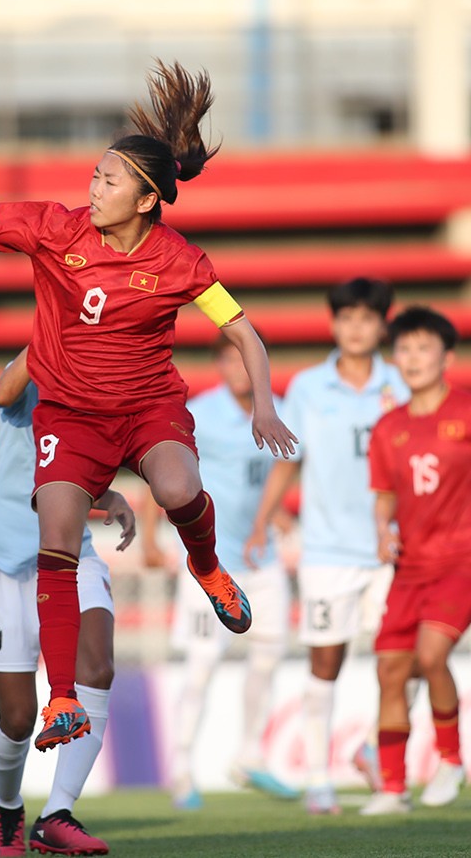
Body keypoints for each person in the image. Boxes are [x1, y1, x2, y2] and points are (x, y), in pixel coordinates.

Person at [0, 61, 298, 753]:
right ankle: (62, 697)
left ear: (145, 198)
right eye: (95, 174)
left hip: (146, 407)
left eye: (108, 179)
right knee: (59, 538)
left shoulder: (179, 261)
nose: (93, 187)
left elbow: (241, 330)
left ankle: (208, 567)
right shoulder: (55, 228)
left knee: (177, 486)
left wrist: (265, 406)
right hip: (70, 415)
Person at [244, 277, 406, 815]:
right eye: (347, 317)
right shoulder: (310, 387)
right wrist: (261, 521)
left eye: (366, 317)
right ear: (334, 323)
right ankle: (318, 777)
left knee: (411, 660)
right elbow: (289, 458)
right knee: (325, 664)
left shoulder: (403, 382)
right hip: (328, 553)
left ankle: (373, 751)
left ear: (383, 324)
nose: (356, 327)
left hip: (393, 550)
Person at [0, 349, 135, 857]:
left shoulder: (97, 388)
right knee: (17, 718)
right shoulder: (35, 373)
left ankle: (56, 813)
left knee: (98, 667)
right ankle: (8, 808)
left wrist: (110, 496)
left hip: (69, 552)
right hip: (5, 557)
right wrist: (47, 337)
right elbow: (1, 394)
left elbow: (81, 468)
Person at [361, 307, 471, 815]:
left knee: (431, 656)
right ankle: (393, 788)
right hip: (410, 567)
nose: (412, 359)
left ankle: (451, 760)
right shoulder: (388, 427)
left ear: (447, 357)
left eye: (423, 348)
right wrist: (382, 531)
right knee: (391, 672)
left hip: (467, 558)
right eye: (404, 350)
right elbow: (384, 494)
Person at [161, 340, 298, 810]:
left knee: (270, 656)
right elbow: (160, 462)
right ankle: (181, 771)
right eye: (231, 359)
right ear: (219, 365)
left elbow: (284, 466)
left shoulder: (272, 411)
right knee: (201, 669)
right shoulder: (200, 413)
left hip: (263, 559)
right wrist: (149, 531)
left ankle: (250, 756)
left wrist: (270, 515)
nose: (240, 369)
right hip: (211, 565)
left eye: (248, 360)